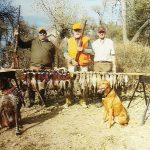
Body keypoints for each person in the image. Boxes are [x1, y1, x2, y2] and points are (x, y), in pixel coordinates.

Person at [14, 27, 56, 107]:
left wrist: (56, 66)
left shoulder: (51, 44)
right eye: (41, 33)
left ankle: (42, 100)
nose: (42, 34)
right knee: (30, 83)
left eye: (44, 33)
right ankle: (31, 101)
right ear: (38, 34)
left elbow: (55, 55)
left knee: (42, 84)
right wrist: (17, 36)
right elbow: (22, 44)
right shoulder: (33, 41)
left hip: (46, 68)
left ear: (46, 34)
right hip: (33, 67)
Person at [63, 23, 94, 108]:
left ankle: (82, 100)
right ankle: (68, 100)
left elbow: (92, 52)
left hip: (83, 66)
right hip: (72, 65)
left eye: (79, 30)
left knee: (83, 83)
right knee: (69, 83)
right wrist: (71, 60)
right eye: (75, 30)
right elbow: (65, 53)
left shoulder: (86, 39)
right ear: (73, 31)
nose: (77, 32)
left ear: (81, 31)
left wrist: (83, 50)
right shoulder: (69, 40)